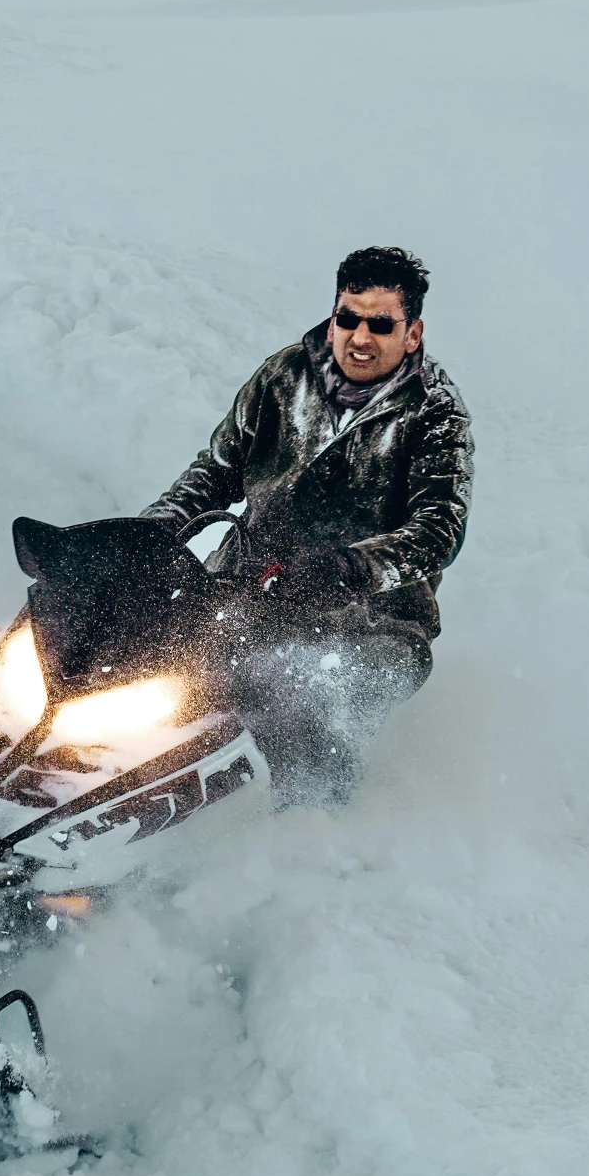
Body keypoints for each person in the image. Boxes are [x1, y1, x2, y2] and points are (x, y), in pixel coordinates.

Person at [143, 246, 473, 801]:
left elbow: (438, 528)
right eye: (348, 317)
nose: (360, 337)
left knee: (303, 701)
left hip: (373, 622)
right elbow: (219, 471)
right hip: (244, 587)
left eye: (380, 324)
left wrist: (351, 567)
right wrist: (154, 530)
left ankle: (312, 842)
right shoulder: (283, 376)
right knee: (149, 675)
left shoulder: (434, 411)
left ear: (411, 333)